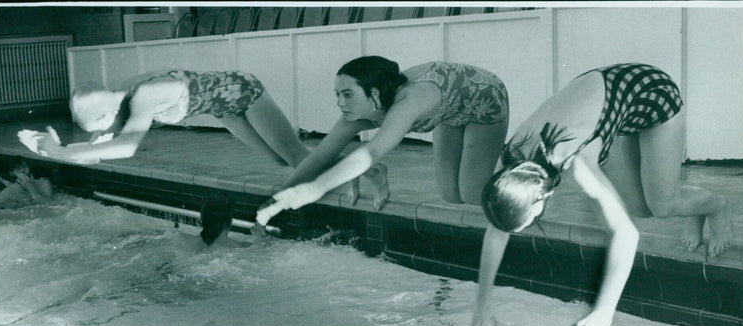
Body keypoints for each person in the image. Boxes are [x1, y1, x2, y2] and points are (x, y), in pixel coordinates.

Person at [470, 63, 733, 326]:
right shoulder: (511, 164)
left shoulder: (576, 163)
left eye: (528, 222)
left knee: (662, 205)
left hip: (652, 92)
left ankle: (715, 208)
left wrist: (603, 312)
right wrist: (482, 303)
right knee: (638, 207)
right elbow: (497, 232)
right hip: (615, 103)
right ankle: (692, 210)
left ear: (538, 199)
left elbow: (626, 235)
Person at [256, 56, 510, 223]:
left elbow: (372, 152)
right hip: (449, 109)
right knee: (451, 196)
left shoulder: (408, 102)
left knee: (473, 193)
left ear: (374, 93)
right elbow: (322, 155)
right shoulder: (355, 113)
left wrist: (315, 188)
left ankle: (518, 171)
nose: (340, 103)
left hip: (484, 101)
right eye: (337, 94)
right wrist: (280, 195)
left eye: (347, 94)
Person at [27, 69, 311, 167]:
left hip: (245, 92)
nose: (101, 134)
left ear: (109, 114)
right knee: (278, 159)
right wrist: (55, 151)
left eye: (100, 126)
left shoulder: (145, 95)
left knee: (295, 156)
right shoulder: (116, 103)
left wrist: (61, 151)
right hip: (223, 110)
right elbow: (95, 153)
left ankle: (349, 175)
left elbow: (126, 148)